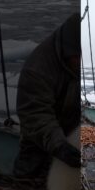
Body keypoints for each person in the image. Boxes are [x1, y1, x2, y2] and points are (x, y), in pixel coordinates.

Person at [13, 13, 81, 178]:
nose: (81, 63)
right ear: (69, 51)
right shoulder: (37, 69)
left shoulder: (75, 63)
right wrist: (60, 147)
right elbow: (36, 115)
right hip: (38, 140)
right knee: (28, 180)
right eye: (78, 58)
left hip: (68, 129)